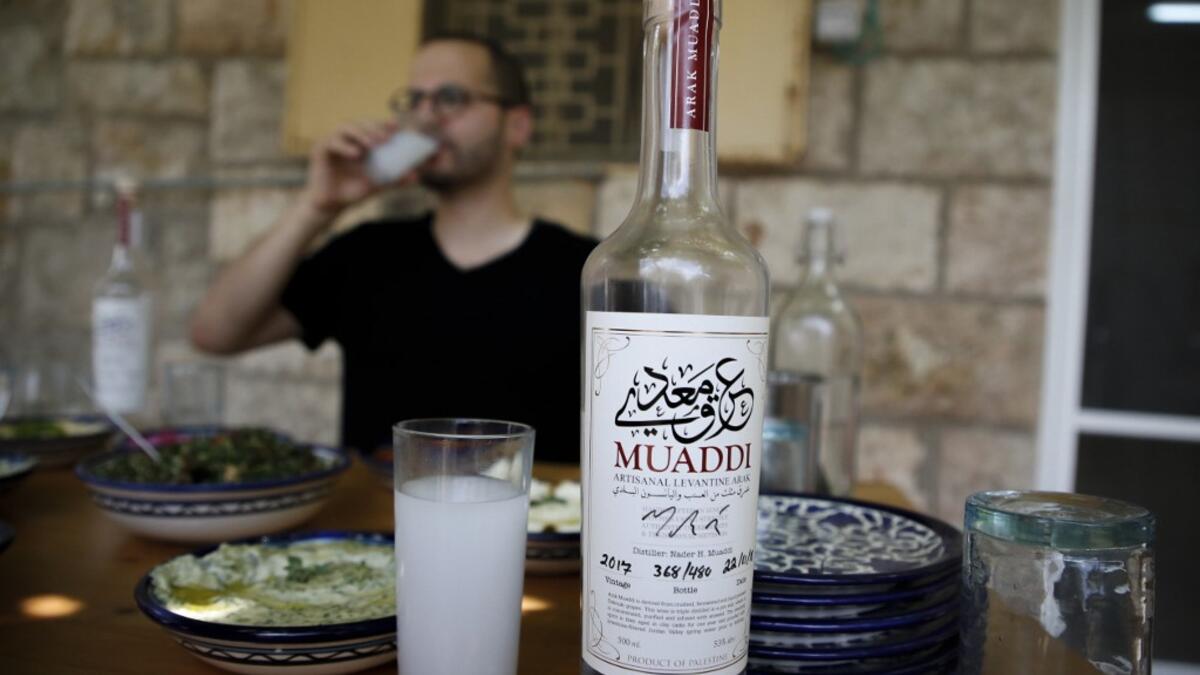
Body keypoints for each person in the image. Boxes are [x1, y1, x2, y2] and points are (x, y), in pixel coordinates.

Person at [190, 35, 597, 462]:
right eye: (415, 100)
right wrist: (317, 206)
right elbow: (215, 334)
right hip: (377, 506)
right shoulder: (366, 255)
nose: (426, 117)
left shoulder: (587, 272)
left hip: (539, 506)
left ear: (517, 125)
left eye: (450, 98)